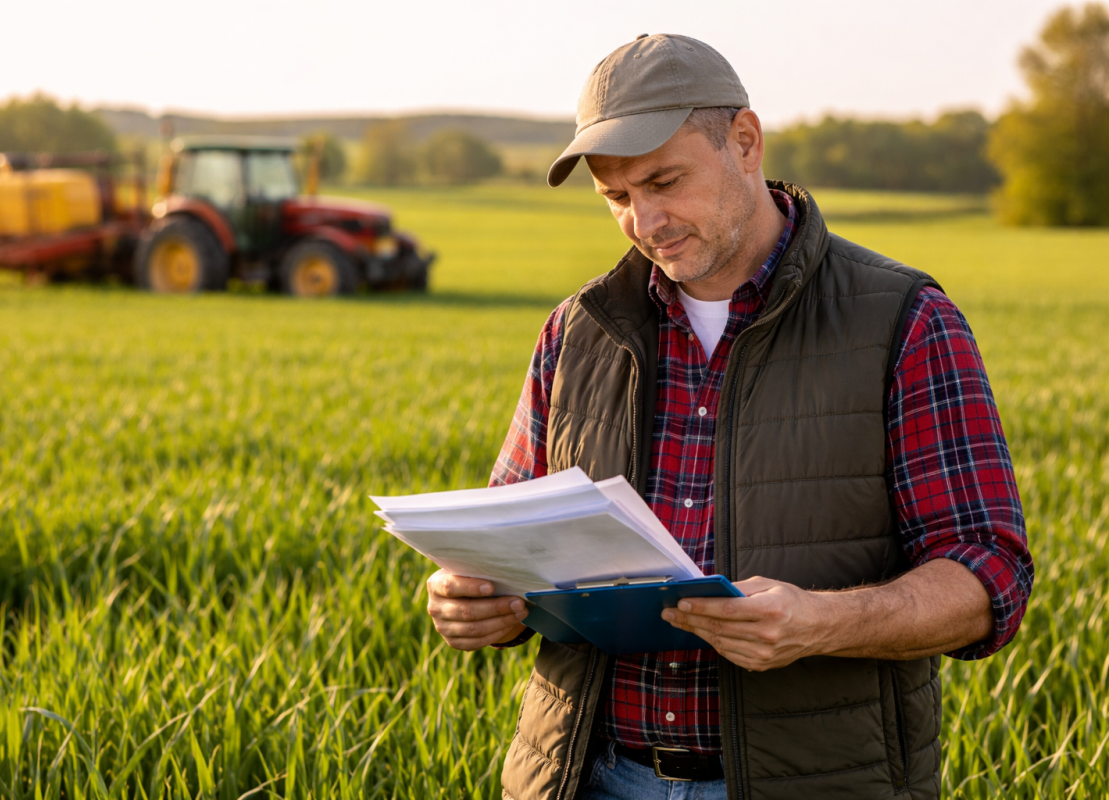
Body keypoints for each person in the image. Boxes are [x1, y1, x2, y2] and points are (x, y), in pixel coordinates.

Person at [425, 34, 1033, 800]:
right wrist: (475, 601)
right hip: (587, 777)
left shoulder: (906, 321)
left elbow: (988, 572)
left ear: (744, 141)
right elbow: (507, 550)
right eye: (616, 198)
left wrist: (819, 622)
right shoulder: (574, 331)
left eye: (664, 182)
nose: (644, 221)